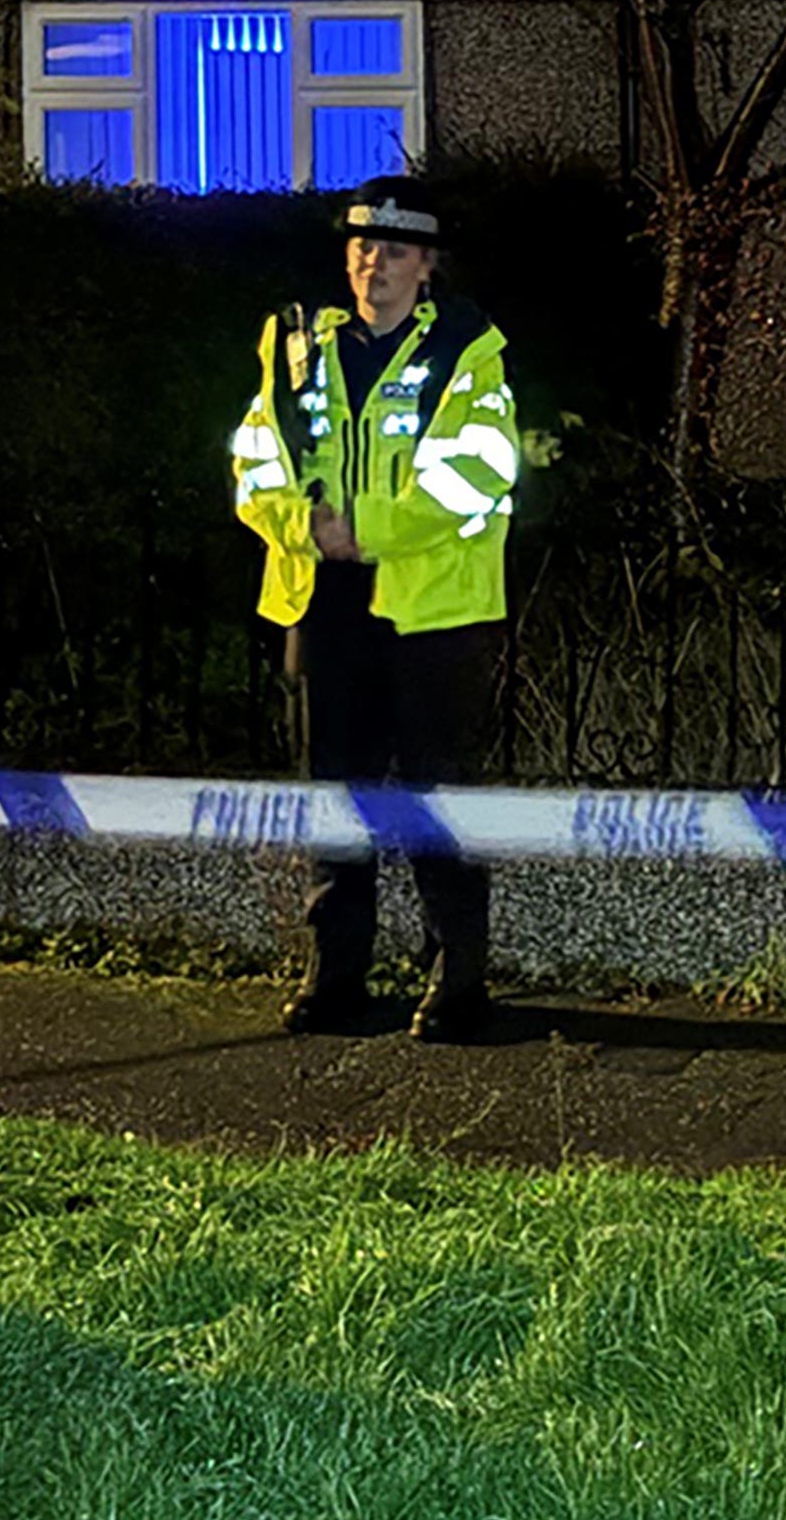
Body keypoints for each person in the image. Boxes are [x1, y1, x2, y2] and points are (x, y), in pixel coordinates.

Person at [230, 175, 526, 1038]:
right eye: (363, 247)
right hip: (324, 602)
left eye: (395, 250)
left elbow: (478, 470)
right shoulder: (295, 348)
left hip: (429, 613)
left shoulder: (468, 350)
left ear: (427, 265)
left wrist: (363, 528)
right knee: (333, 799)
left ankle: (457, 983)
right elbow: (252, 458)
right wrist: (303, 526)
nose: (374, 264)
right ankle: (336, 976)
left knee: (439, 799)